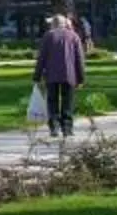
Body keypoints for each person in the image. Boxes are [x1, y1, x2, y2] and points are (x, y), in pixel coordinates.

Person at [34, 12, 86, 141]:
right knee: (68, 102)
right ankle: (67, 129)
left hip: (51, 75)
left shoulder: (48, 36)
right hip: (69, 75)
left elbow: (42, 58)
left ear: (54, 24)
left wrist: (37, 76)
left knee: (52, 102)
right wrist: (81, 77)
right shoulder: (74, 36)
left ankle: (54, 128)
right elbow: (79, 58)